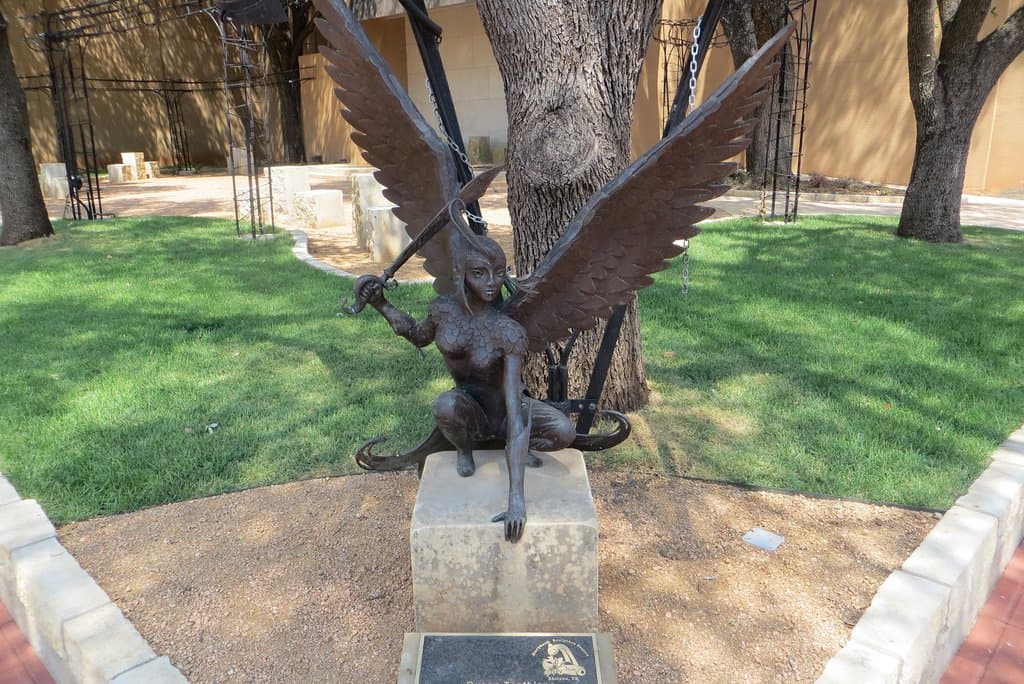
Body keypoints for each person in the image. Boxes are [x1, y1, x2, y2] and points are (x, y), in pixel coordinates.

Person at [356, 225, 575, 543]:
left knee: (564, 432)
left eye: (498, 272)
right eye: (479, 273)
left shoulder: (508, 332)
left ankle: (515, 447)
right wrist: (381, 304)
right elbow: (418, 335)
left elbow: (516, 411)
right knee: (445, 405)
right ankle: (464, 449)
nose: (491, 282)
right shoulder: (443, 310)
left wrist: (516, 500)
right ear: (461, 274)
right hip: (469, 407)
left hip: (506, 410)